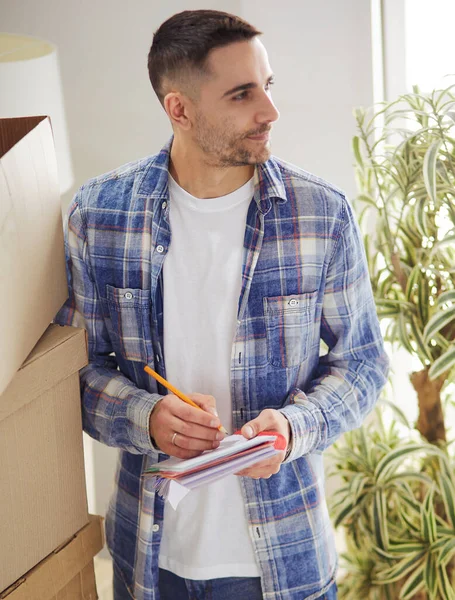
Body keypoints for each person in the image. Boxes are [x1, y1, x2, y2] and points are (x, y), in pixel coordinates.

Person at [55, 9, 389, 600]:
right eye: (242, 94)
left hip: (283, 562)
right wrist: (146, 417)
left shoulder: (320, 215)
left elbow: (362, 364)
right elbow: (71, 378)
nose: (269, 111)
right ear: (179, 109)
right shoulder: (99, 216)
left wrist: (294, 425)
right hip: (151, 563)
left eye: (268, 85)